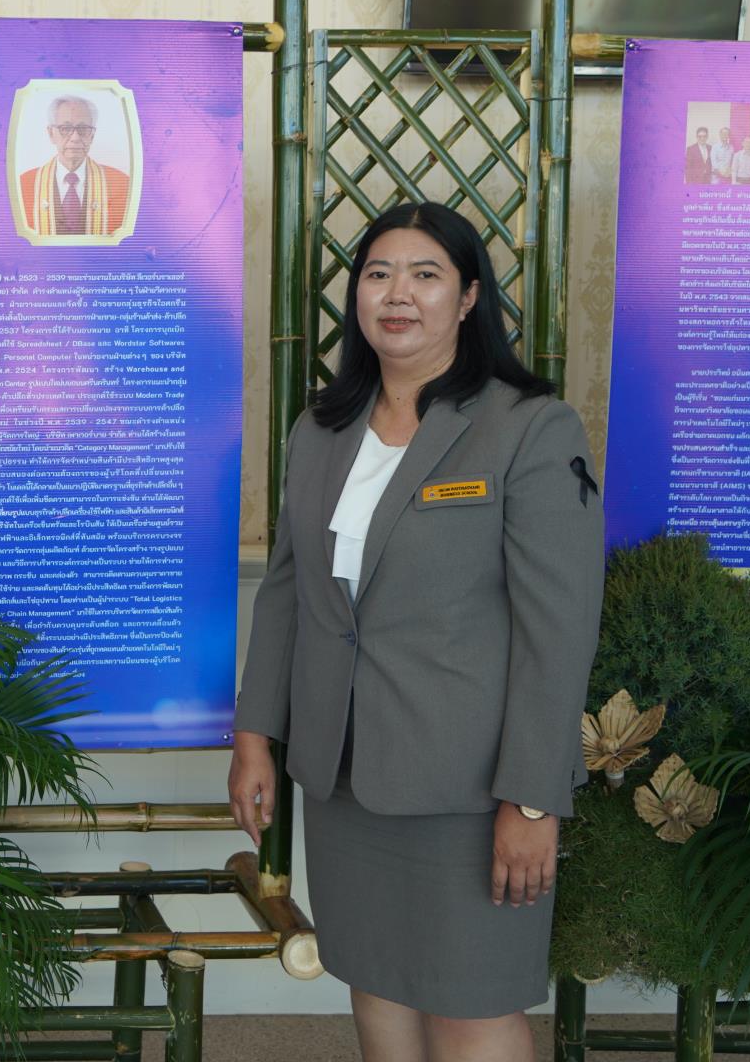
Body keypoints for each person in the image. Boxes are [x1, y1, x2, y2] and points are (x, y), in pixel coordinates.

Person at [227, 202, 603, 1062]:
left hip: (470, 788)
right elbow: (287, 593)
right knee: (378, 983)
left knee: (472, 1003)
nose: (398, 294)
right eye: (379, 274)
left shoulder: (528, 429)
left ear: (468, 298)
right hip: (345, 778)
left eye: (426, 275)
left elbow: (558, 633)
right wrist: (255, 737)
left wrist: (533, 798)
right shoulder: (321, 431)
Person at [17, 93, 132, 236]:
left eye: (83, 129)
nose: (75, 138)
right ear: (51, 134)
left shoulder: (122, 184)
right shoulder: (24, 185)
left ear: (92, 135)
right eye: (65, 128)